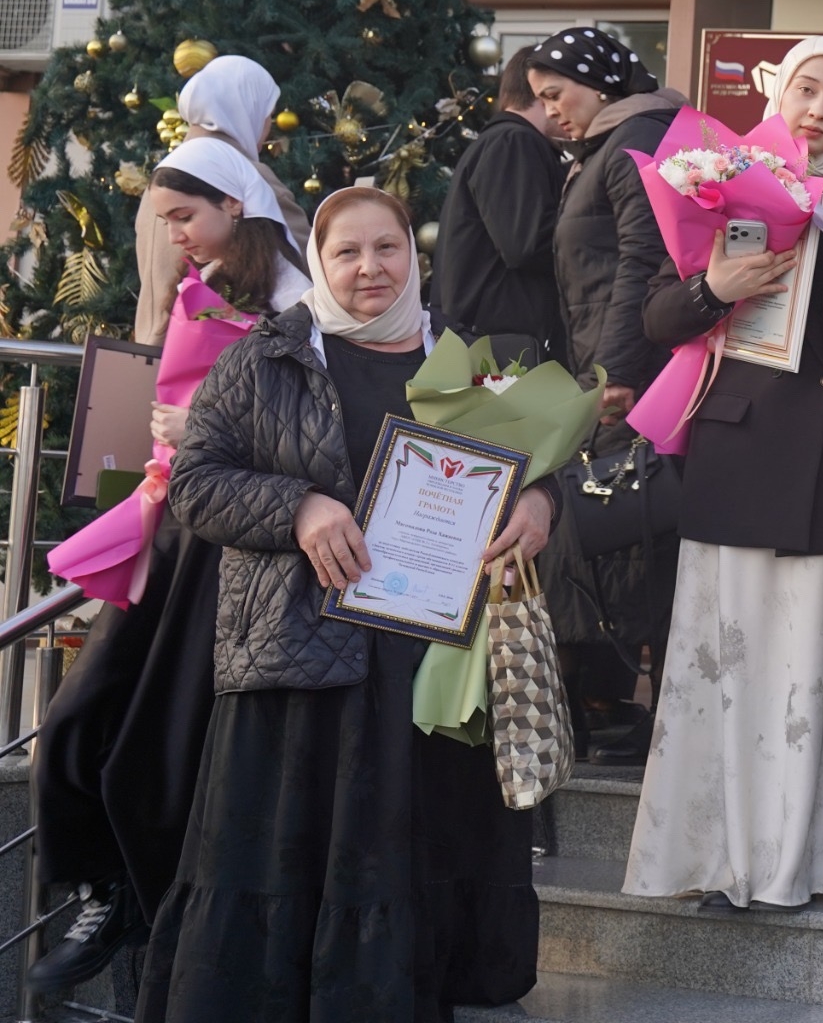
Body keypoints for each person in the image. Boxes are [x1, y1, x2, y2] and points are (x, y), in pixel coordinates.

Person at [143, 187, 554, 1021]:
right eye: (347, 252)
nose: (370, 268)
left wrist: (543, 504)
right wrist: (298, 507)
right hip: (301, 671)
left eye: (387, 248)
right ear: (319, 262)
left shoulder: (468, 361)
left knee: (418, 861)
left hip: (429, 671)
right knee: (287, 877)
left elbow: (534, 464)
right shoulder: (267, 358)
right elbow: (195, 484)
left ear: (414, 256)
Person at [621, 38, 823, 910]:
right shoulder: (720, 181)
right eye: (807, 90)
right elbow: (658, 317)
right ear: (778, 95)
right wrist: (716, 287)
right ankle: (714, 859)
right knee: (723, 667)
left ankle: (800, 862)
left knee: (810, 669)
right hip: (739, 454)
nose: (820, 110)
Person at [29, 138, 314, 995]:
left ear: (234, 203)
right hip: (176, 528)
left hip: (236, 551)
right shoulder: (213, 285)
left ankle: (130, 905)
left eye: (183, 216)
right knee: (79, 715)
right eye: (164, 220)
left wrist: (208, 431)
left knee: (162, 734)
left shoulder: (300, 301)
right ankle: (104, 889)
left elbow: (322, 438)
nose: (174, 234)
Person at [533, 27, 688, 763]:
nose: (549, 111)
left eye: (555, 93)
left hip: (629, 382)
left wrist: (615, 372)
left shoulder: (634, 139)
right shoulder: (605, 145)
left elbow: (643, 260)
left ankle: (637, 712)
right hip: (605, 373)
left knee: (626, 531)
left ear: (597, 83)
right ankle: (617, 707)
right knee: (611, 532)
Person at [131, 53, 311, 345]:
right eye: (267, 114)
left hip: (155, 346)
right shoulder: (247, 178)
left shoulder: (161, 179)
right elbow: (304, 260)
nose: (267, 128)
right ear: (247, 109)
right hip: (212, 351)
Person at [432, 47, 568, 365]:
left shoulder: (507, 140)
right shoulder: (514, 141)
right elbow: (527, 244)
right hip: (502, 347)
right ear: (543, 93)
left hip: (492, 339)